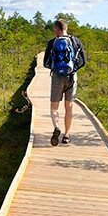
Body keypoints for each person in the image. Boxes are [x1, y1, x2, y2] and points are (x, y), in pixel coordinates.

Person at [42, 18, 86, 146]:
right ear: (66, 28)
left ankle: (56, 127)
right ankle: (66, 135)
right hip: (72, 77)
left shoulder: (52, 43)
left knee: (54, 108)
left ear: (57, 29)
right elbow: (84, 60)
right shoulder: (75, 41)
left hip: (57, 78)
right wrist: (72, 69)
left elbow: (45, 63)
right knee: (69, 108)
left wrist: (56, 69)